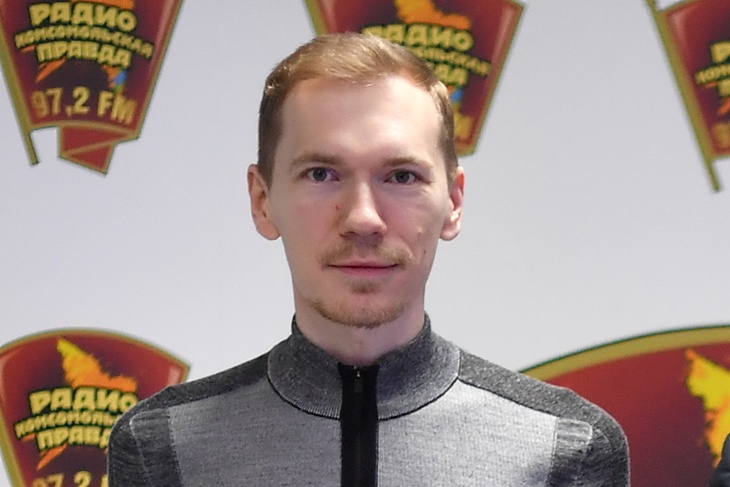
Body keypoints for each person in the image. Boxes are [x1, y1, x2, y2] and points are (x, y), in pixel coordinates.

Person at [107, 32, 629, 486]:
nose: (362, 218)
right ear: (263, 201)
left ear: (454, 202)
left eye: (401, 176)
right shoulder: (163, 447)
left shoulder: (566, 447)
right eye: (321, 174)